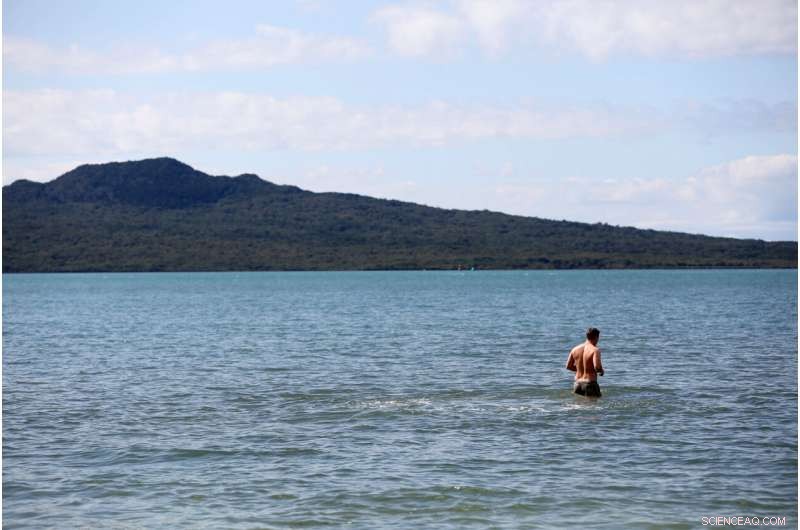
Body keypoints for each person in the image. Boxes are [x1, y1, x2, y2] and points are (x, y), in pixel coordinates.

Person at [566, 327, 604, 398]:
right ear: (597, 337)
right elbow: (597, 367)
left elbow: (568, 366)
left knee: (579, 404)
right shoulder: (595, 350)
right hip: (590, 384)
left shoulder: (574, 349)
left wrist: (581, 369)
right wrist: (601, 371)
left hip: (577, 384)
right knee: (594, 404)